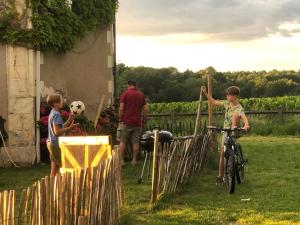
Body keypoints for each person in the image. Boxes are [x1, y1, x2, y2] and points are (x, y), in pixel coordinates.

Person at [201, 86, 250, 184]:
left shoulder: (239, 108)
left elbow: (244, 119)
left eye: (230, 95)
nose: (228, 97)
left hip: (234, 130)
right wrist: (205, 93)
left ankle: (235, 158)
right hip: (225, 131)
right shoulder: (226, 104)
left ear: (235, 96)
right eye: (227, 95)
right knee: (223, 154)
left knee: (235, 115)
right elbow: (214, 102)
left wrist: (246, 126)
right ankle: (221, 176)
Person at [46, 94, 79, 176]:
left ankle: (52, 186)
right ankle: (63, 186)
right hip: (56, 144)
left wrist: (69, 120)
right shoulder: (56, 114)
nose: (62, 102)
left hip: (51, 143)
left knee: (54, 168)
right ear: (55, 103)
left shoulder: (53, 113)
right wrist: (70, 128)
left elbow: (60, 127)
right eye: (60, 101)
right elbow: (57, 132)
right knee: (64, 166)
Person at [119, 80, 147, 166]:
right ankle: (134, 160)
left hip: (126, 122)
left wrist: (120, 118)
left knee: (123, 141)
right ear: (135, 85)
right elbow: (145, 109)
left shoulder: (125, 94)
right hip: (137, 122)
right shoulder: (141, 95)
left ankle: (121, 160)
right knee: (135, 142)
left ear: (129, 85)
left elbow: (121, 109)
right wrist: (144, 119)